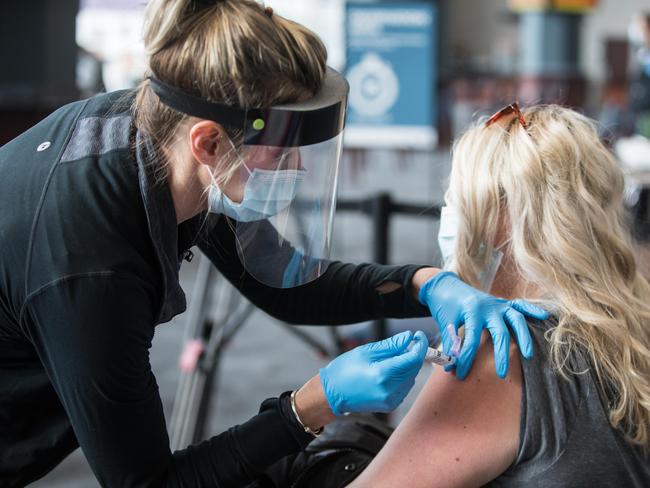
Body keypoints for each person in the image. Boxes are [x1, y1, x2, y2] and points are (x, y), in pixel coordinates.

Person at [0, 2, 547, 487]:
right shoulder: (91, 271)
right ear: (209, 142)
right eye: (284, 148)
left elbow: (286, 281)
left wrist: (425, 284)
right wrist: (309, 408)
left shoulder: (167, 140)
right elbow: (148, 481)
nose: (299, 165)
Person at [348, 103, 650, 487]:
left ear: (499, 217)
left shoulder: (502, 350)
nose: (451, 215)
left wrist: (308, 413)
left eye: (457, 200)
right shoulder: (631, 324)